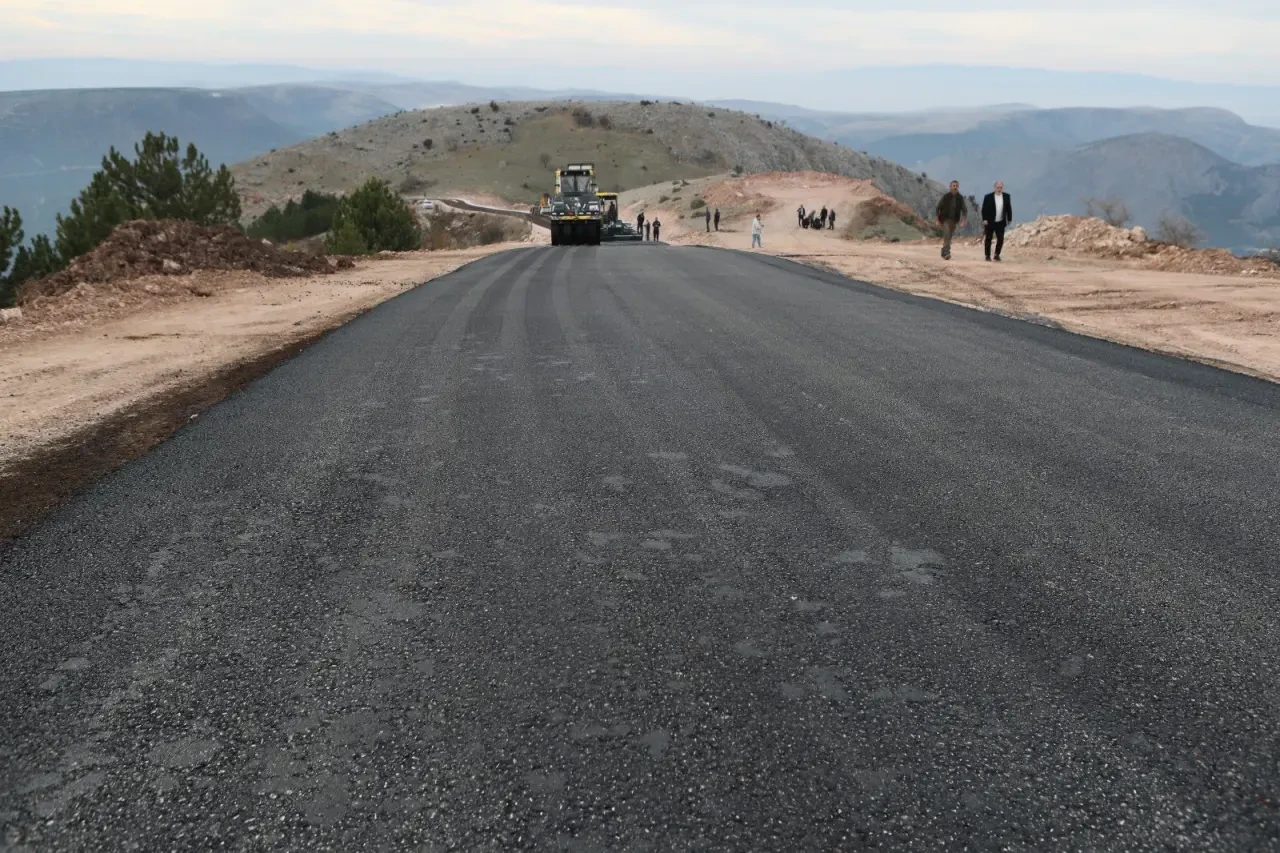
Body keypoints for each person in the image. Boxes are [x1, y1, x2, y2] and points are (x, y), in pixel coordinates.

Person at [934, 180, 968, 260]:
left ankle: (943, 251)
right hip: (944, 219)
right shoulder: (946, 197)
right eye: (953, 186)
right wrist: (937, 220)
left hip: (954, 221)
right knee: (947, 234)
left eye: (956, 186)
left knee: (949, 236)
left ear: (958, 187)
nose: (955, 187)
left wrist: (964, 220)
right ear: (950, 187)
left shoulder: (960, 198)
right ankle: (947, 252)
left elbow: (964, 210)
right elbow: (938, 208)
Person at [981, 180, 1013, 262]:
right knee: (988, 238)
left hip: (1001, 221)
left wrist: (1009, 219)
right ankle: (987, 255)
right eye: (998, 187)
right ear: (994, 188)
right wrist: (984, 219)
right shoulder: (988, 197)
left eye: (1000, 188)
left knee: (1000, 239)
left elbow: (1008, 208)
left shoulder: (1006, 196)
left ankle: (996, 255)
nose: (999, 189)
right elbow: (984, 209)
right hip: (990, 221)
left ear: (1002, 188)